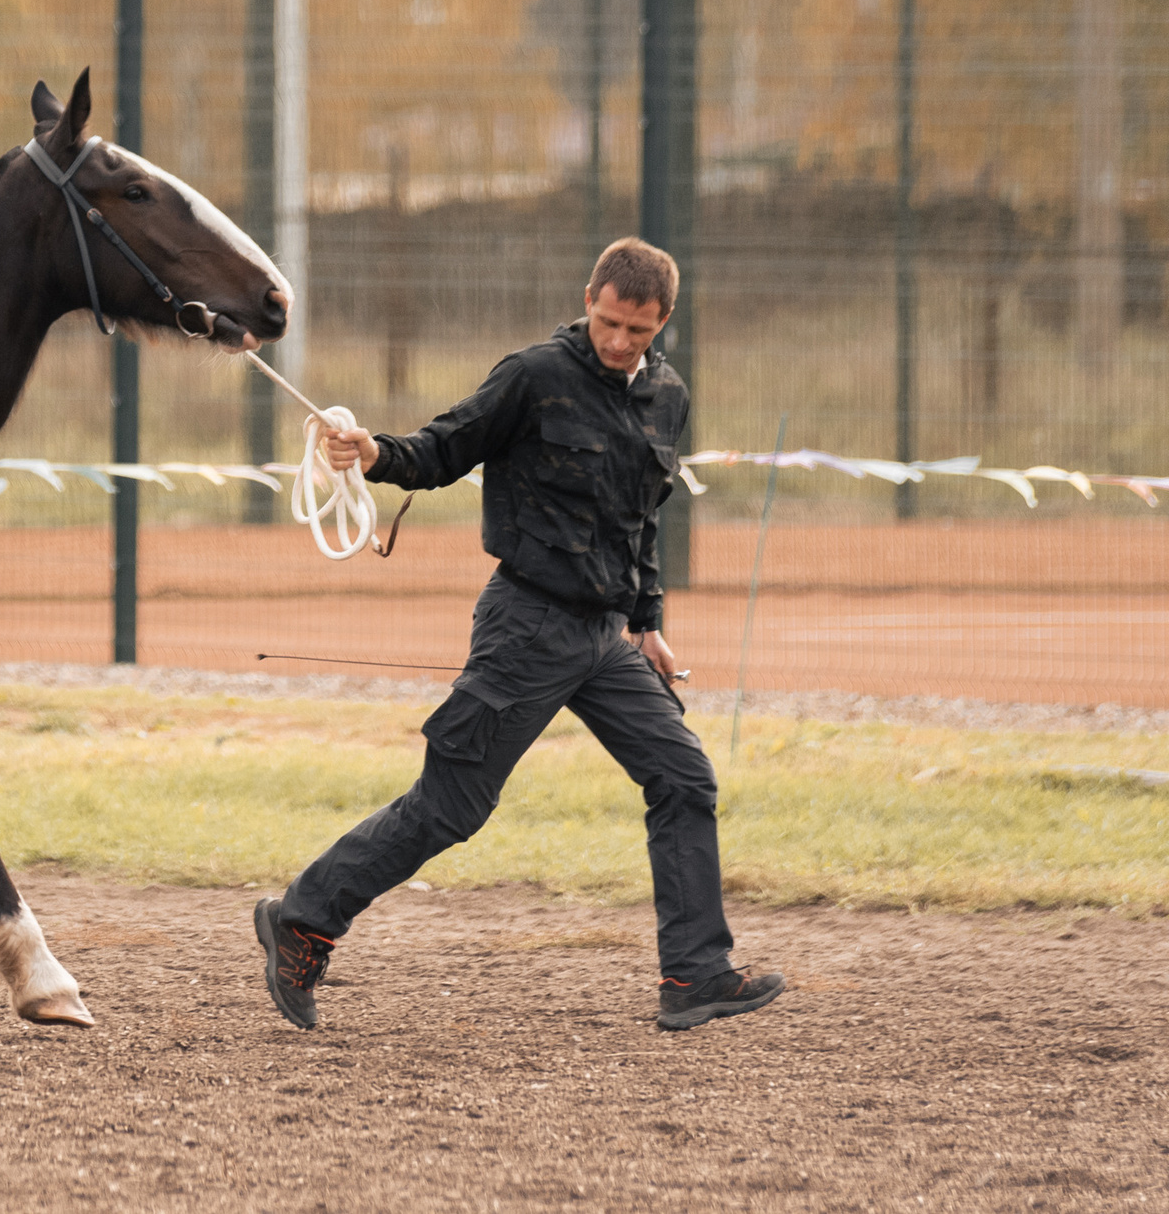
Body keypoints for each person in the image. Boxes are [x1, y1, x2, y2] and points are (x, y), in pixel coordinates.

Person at [253, 238, 785, 1033]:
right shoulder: (533, 376)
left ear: (662, 322)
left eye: (636, 331)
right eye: (607, 322)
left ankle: (695, 974)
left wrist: (647, 622)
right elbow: (443, 448)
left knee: (684, 778)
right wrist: (372, 453)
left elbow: (641, 521)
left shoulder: (667, 396)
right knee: (451, 806)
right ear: (589, 298)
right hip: (527, 624)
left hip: (607, 640)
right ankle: (303, 920)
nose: (617, 342)